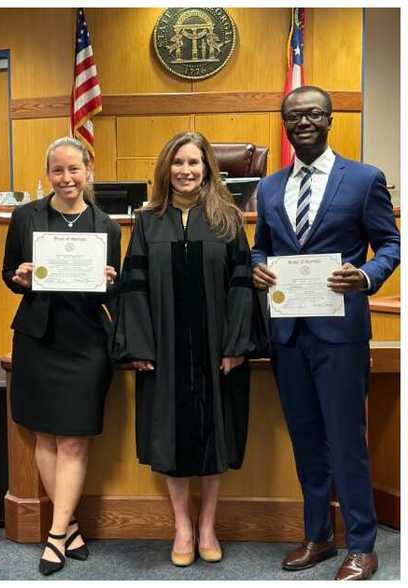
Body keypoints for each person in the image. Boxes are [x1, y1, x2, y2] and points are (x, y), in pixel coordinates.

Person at [251, 86, 399, 581]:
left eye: (313, 113)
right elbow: (261, 248)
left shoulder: (362, 179)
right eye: (294, 116)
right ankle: (318, 536)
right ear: (285, 124)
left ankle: (361, 544)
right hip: (289, 334)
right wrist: (258, 268)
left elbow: (390, 244)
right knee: (307, 439)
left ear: (330, 119)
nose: (304, 121)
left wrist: (367, 276)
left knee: (346, 439)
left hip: (340, 334)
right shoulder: (269, 188)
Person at [113, 131, 256, 567]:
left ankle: (208, 525)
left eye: (194, 163)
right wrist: (139, 344)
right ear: (165, 170)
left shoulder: (228, 219)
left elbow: (242, 285)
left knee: (214, 436)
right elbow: (132, 286)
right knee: (171, 441)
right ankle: (181, 527)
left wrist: (235, 344)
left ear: (208, 168)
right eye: (178, 163)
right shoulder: (148, 221)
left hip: (216, 349)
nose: (186, 171)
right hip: (165, 351)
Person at [1, 137, 120, 576]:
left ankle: (54, 536)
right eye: (58, 171)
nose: (66, 179)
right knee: (46, 437)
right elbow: (8, 275)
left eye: (74, 169)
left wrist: (110, 279)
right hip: (38, 338)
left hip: (86, 342)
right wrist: (21, 276)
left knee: (73, 438)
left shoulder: (105, 224)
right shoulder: (26, 216)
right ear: (48, 173)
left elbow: (115, 287)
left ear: (88, 169)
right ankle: (68, 526)